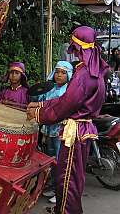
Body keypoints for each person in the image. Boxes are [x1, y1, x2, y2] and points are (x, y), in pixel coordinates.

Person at [27, 26, 109, 214]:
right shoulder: (95, 70)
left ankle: (66, 211)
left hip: (75, 132)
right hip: (83, 129)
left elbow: (66, 105)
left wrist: (39, 114)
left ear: (78, 47)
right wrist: (40, 106)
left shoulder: (84, 74)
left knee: (68, 177)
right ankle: (62, 208)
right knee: (73, 177)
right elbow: (66, 100)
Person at [39, 61, 73, 204]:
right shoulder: (50, 88)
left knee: (61, 161)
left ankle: (61, 193)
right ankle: (53, 187)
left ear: (69, 75)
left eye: (63, 72)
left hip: (61, 131)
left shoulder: (69, 91)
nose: (59, 75)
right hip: (48, 129)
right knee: (50, 159)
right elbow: (41, 103)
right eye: (57, 72)